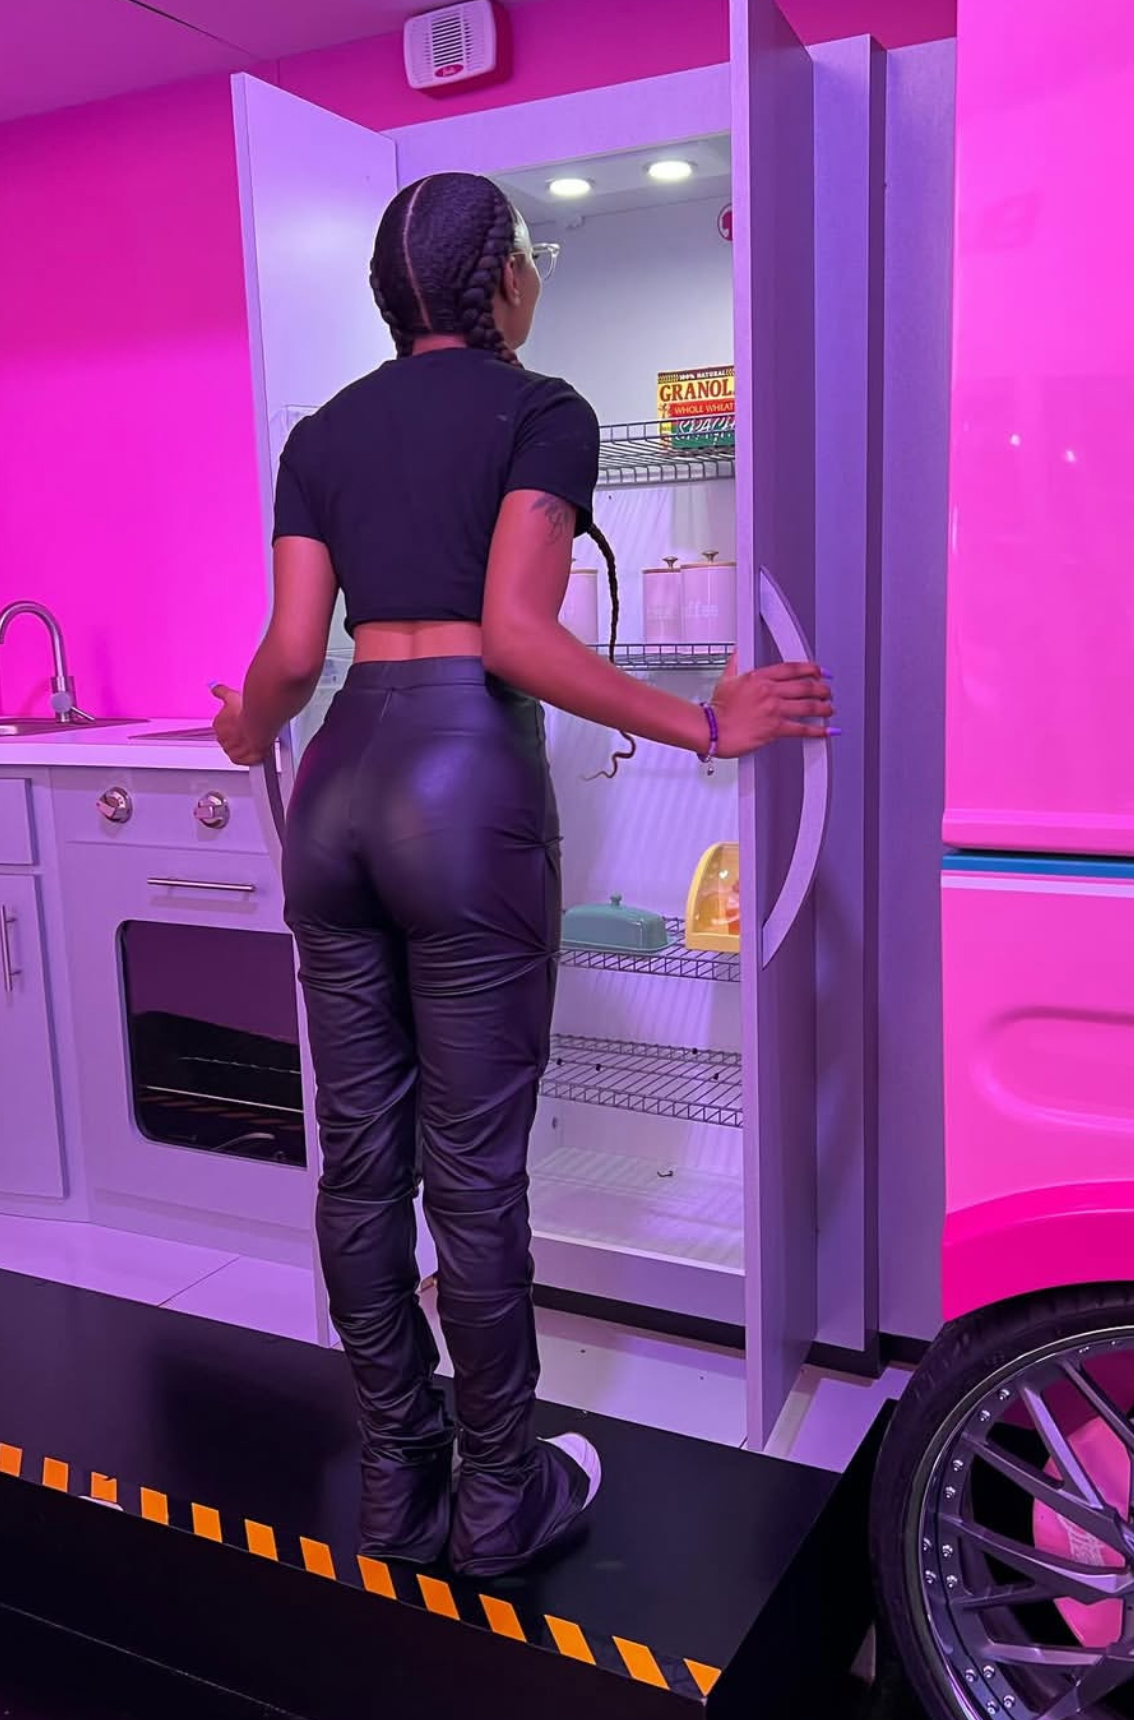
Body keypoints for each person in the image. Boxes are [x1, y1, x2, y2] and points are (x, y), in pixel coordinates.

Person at [212, 171, 835, 1579]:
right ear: (500, 279)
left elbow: (294, 655)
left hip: (338, 783)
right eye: (531, 255)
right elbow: (513, 633)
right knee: (474, 1175)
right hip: (460, 785)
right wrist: (703, 722)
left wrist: (247, 728)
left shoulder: (321, 434)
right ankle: (500, 1497)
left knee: (361, 1161)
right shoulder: (540, 408)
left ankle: (397, 1483)